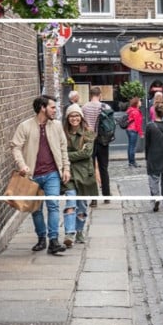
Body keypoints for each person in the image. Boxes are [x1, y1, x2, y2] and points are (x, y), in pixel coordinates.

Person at [9, 95, 71, 255]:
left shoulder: (56, 126)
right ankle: (41, 238)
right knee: (36, 209)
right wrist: (22, 165)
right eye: (52, 107)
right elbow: (15, 146)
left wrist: (66, 168)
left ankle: (54, 241)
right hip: (33, 176)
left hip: (52, 174)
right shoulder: (25, 126)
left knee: (53, 206)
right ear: (42, 108)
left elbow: (64, 147)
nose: (55, 110)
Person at [61, 104, 97, 247]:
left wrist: (67, 155)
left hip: (84, 174)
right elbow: (59, 153)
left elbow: (87, 153)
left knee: (81, 205)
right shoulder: (63, 134)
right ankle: (69, 233)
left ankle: (79, 231)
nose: (74, 118)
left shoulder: (88, 133)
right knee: (71, 201)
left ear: (81, 117)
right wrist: (73, 155)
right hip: (68, 173)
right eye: (71, 116)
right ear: (67, 118)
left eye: (77, 115)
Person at [81, 86, 112, 198]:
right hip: (103, 140)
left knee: (91, 167)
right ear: (100, 95)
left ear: (90, 95)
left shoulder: (84, 107)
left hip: (89, 140)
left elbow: (82, 124)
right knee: (104, 167)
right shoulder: (105, 106)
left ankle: (93, 196)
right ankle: (106, 194)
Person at [125, 96, 144, 169]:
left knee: (130, 146)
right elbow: (138, 124)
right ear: (136, 103)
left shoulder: (130, 110)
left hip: (129, 129)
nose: (141, 102)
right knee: (132, 147)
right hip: (133, 130)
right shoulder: (136, 111)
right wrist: (141, 133)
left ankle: (130, 162)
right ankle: (133, 162)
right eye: (139, 101)